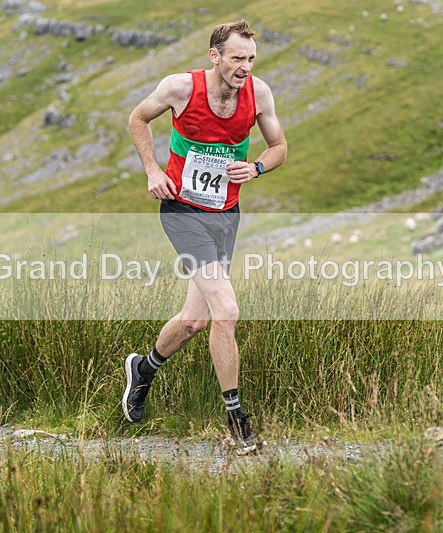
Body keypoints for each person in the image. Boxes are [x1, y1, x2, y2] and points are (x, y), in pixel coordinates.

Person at [125, 20, 287, 455]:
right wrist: (153, 170)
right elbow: (138, 118)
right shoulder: (181, 88)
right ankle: (236, 419)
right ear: (215, 56)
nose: (244, 68)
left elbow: (279, 148)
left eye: (251, 59)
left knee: (196, 321)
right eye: (237, 58)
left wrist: (255, 168)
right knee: (227, 310)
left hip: (224, 215)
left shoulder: (260, 95)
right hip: (181, 211)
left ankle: (143, 368)